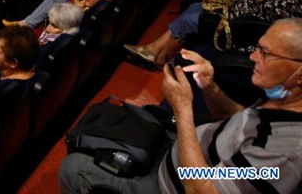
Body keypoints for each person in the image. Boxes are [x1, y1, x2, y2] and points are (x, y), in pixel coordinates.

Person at [60, 18, 302, 193]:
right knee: (102, 127)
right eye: (259, 48)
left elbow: (202, 189)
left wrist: (183, 109)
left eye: (266, 54)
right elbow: (238, 118)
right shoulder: (283, 100)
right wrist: (210, 87)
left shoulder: (286, 154)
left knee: (72, 168)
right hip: (183, 151)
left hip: (167, 185)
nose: (253, 57)